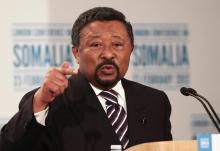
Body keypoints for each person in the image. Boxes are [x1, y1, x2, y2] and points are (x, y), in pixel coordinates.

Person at [0, 7, 172, 151]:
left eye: (117, 45)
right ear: (76, 53)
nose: (108, 54)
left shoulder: (155, 101)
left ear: (131, 50)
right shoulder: (51, 102)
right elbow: (9, 147)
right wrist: (39, 102)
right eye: (96, 45)